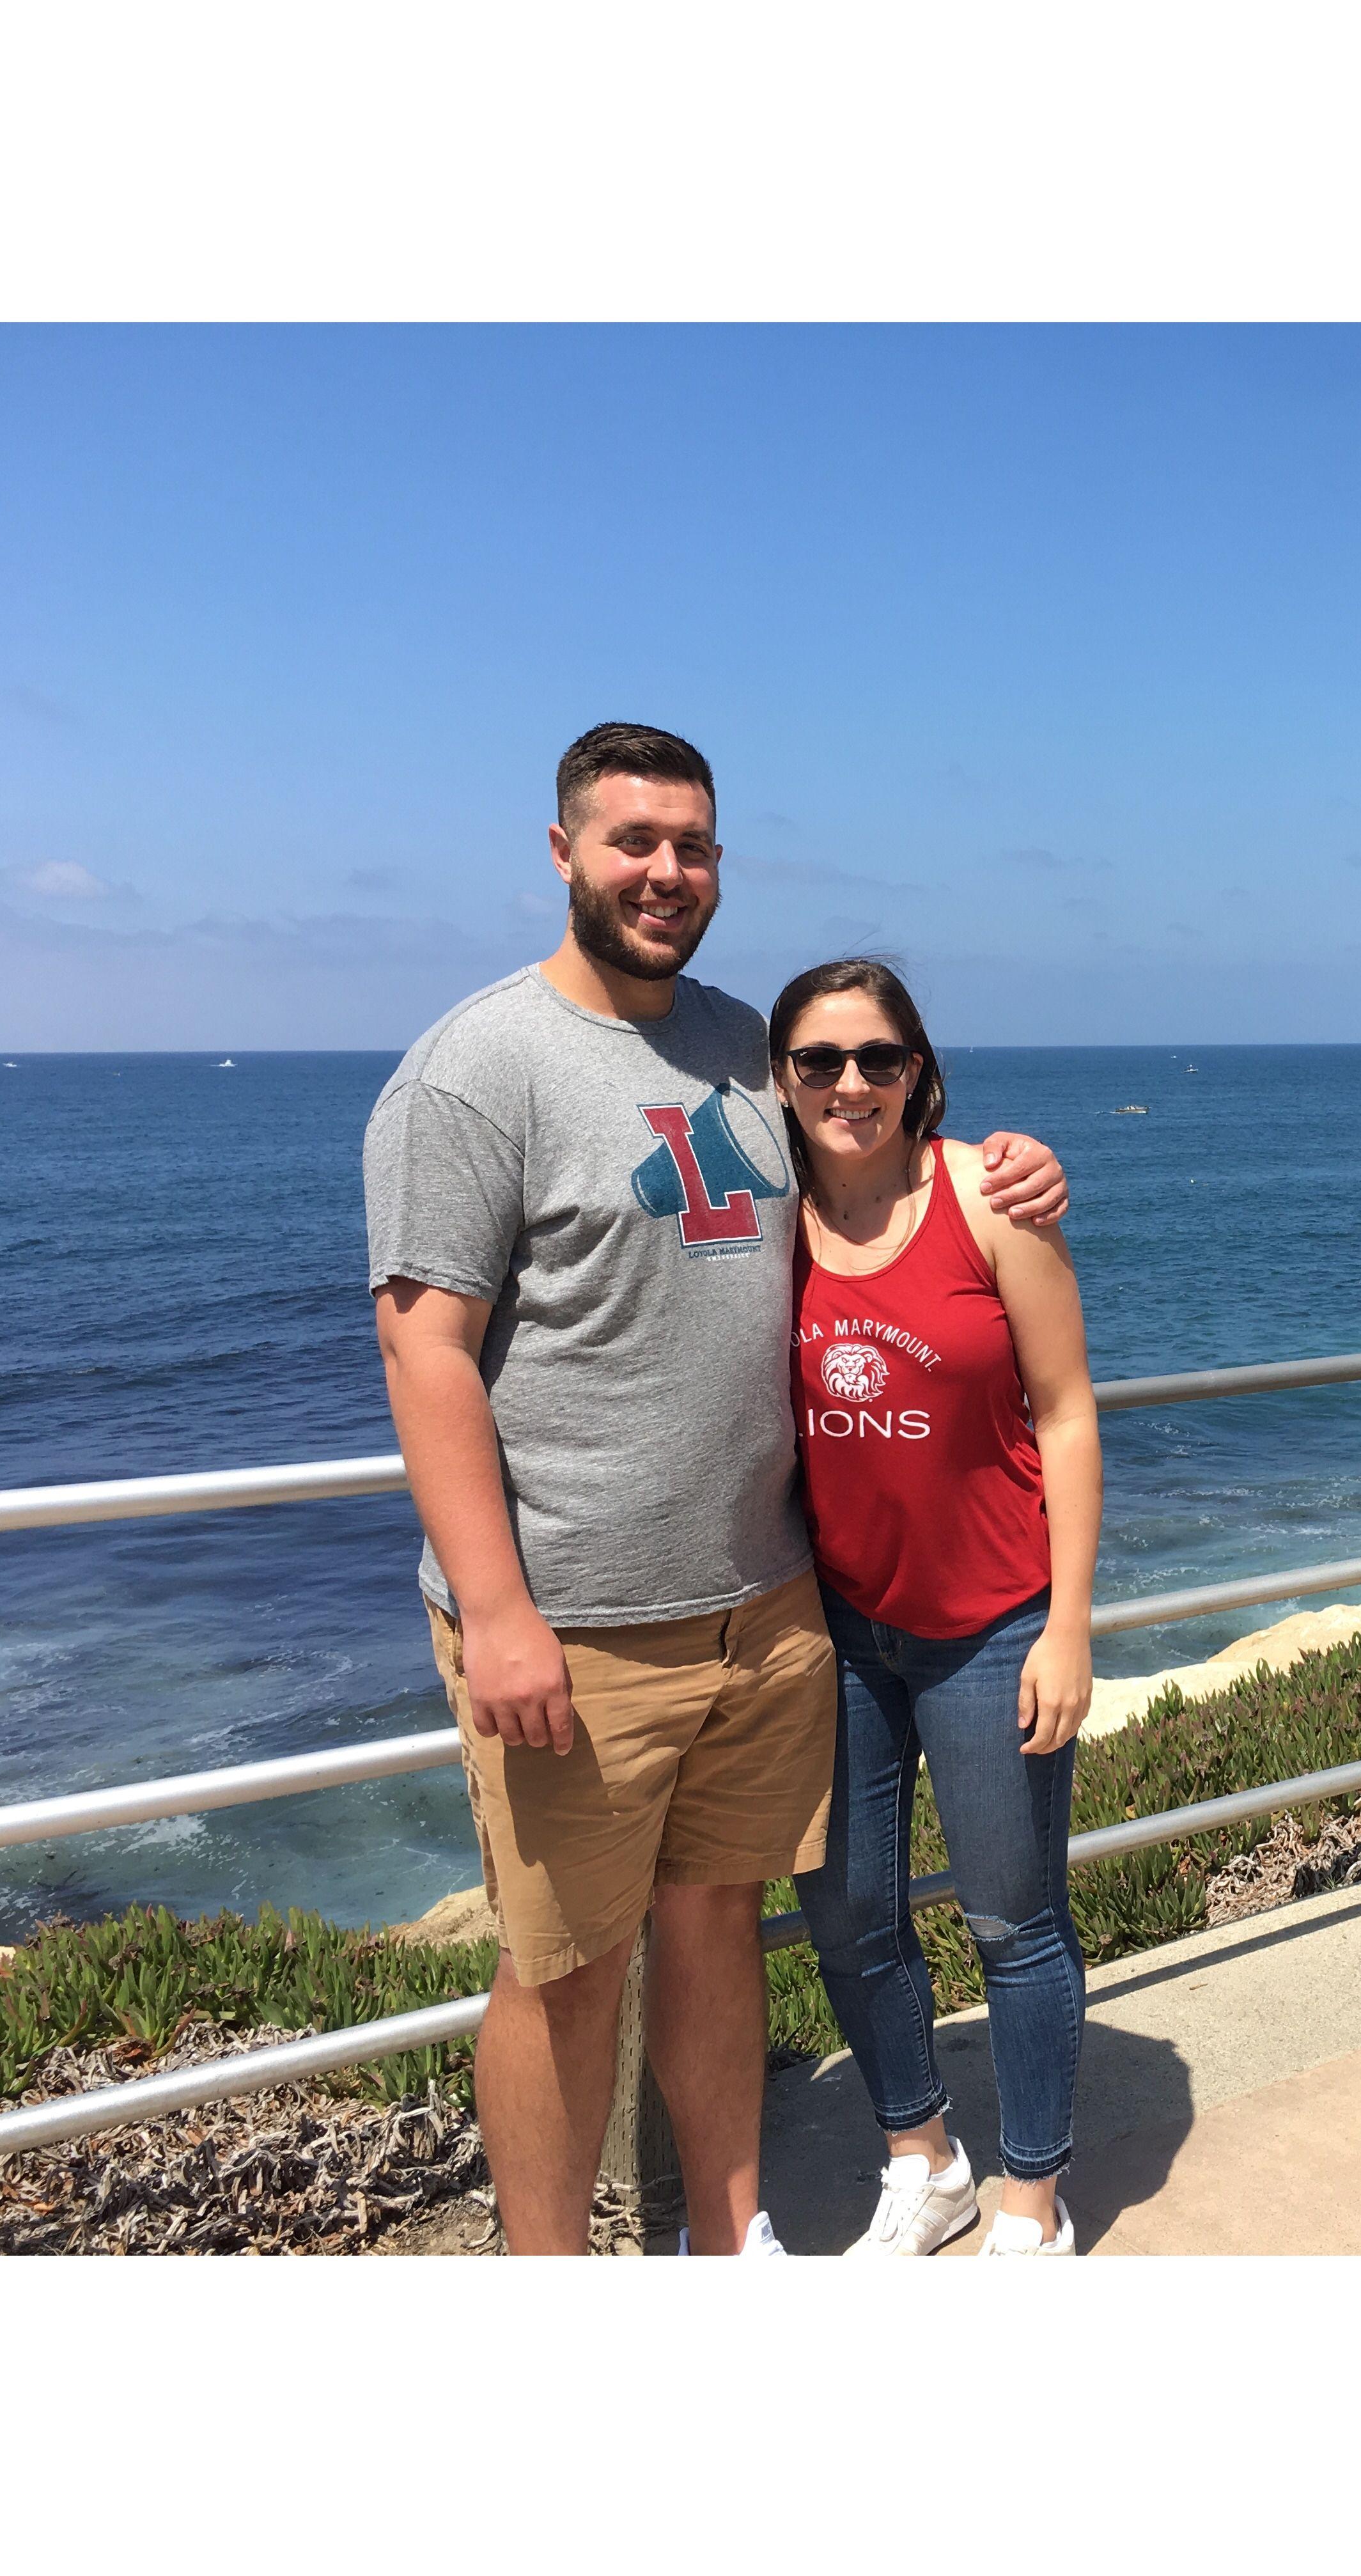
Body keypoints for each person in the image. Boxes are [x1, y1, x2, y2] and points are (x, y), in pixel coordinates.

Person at [365, 722, 1069, 2257]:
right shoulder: (474, 1071)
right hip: (577, 1621)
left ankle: (731, 2240)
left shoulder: (749, 1045)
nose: (664, 871)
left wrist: (1009, 1164)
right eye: (633, 841)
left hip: (771, 1606)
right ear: (564, 852)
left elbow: (875, 1164)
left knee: (714, 1928)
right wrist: (496, 1610)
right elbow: (424, 1350)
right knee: (562, 1971)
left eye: (691, 845)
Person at [773, 958, 1100, 2256]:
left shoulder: (990, 1199)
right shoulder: (762, 1217)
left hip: (994, 1624)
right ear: (781, 1081)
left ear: (919, 1071)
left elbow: (1066, 1413)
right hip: (837, 1629)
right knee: (849, 1918)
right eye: (819, 1060)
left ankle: (1032, 2202)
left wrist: (1068, 1627)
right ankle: (925, 2160)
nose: (850, 1083)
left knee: (1013, 1922)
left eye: (879, 1058)